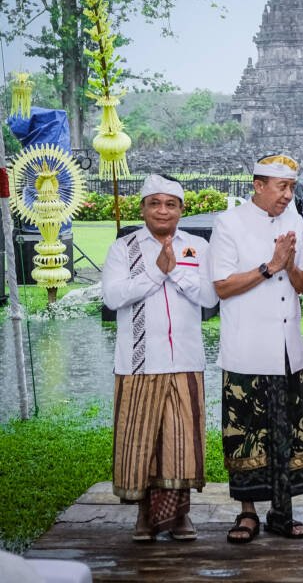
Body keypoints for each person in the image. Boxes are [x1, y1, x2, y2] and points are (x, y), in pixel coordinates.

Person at [102, 174, 218, 542]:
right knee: (141, 443)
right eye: (155, 203)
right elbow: (113, 297)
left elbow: (210, 297)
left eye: (170, 204)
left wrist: (176, 276)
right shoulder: (125, 248)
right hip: (139, 362)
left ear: (182, 209)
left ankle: (180, 517)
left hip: (185, 360)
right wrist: (157, 271)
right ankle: (144, 517)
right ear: (143, 208)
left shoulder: (197, 246)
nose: (162, 210)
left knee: (182, 442)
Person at [209, 154, 303, 543]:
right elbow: (221, 285)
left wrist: (288, 266)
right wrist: (269, 266)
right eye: (281, 187)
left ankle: (283, 511)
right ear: (258, 185)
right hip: (247, 347)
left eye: (292, 187)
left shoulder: (295, 221)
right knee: (247, 433)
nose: (288, 195)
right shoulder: (229, 224)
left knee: (287, 432)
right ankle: (248, 513)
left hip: (287, 347)